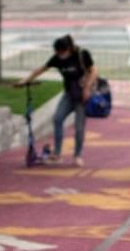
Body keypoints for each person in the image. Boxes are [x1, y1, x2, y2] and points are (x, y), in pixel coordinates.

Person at [14, 35, 97, 166]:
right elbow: (41, 69)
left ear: (68, 49)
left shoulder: (81, 55)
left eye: (62, 52)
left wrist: (87, 88)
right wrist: (26, 80)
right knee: (57, 119)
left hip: (82, 96)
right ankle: (57, 154)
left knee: (79, 127)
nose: (59, 54)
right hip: (69, 94)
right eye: (57, 52)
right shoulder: (57, 58)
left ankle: (77, 156)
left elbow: (93, 71)